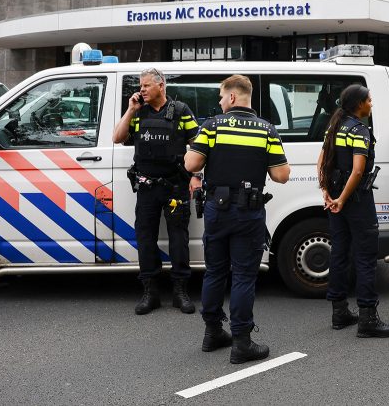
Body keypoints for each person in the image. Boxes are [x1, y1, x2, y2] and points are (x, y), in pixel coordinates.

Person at [184, 74, 290, 364]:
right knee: (243, 275)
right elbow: (281, 175)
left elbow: (192, 164)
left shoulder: (212, 125)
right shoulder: (267, 130)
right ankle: (241, 342)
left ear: (232, 97)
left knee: (215, 272)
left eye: (220, 97)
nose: (219, 102)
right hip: (248, 212)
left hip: (217, 211)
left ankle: (212, 333)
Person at [113, 68, 201, 316]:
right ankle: (150, 293)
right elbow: (118, 137)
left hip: (175, 186)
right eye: (140, 86)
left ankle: (180, 292)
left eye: (146, 86)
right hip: (147, 186)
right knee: (145, 239)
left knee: (178, 240)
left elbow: (198, 145)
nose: (141, 90)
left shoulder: (181, 111)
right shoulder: (138, 113)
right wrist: (131, 109)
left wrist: (196, 176)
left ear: (161, 86)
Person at [317, 84, 389, 338]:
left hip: (336, 197)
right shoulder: (359, 130)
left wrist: (326, 191)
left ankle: (339, 313)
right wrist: (342, 198)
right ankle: (368, 319)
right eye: (369, 100)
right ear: (358, 104)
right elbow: (358, 170)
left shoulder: (334, 126)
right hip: (357, 201)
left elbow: (321, 161)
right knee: (365, 257)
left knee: (339, 253)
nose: (371, 104)